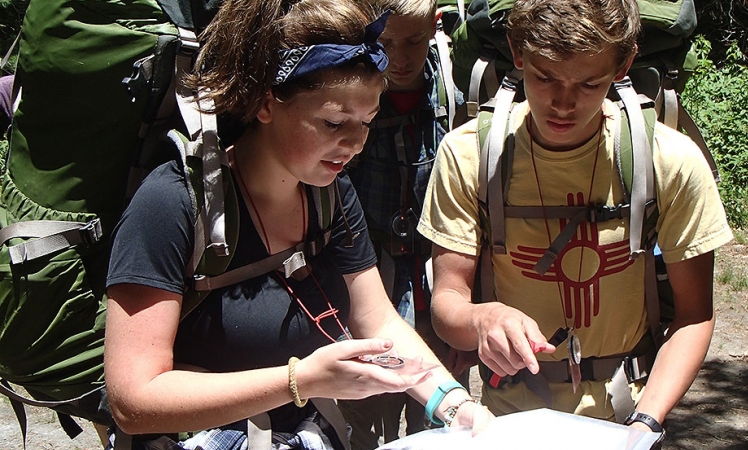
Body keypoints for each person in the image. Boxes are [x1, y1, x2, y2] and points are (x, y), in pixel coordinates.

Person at [103, 0, 493, 448]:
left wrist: (455, 405)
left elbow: (377, 320)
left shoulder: (330, 192)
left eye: (366, 121)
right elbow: (133, 401)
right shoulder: (171, 204)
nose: (354, 143)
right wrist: (301, 380)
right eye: (332, 122)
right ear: (266, 103)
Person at [417, 0, 733, 435]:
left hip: (627, 412)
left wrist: (645, 423)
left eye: (589, 83)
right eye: (545, 78)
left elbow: (695, 314)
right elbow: (447, 302)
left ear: (623, 65)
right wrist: (482, 319)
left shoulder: (669, 161)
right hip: (507, 422)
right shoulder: (469, 155)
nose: (563, 103)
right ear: (518, 51)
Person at [338, 0, 467, 446]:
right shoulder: (350, 98)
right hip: (366, 280)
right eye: (385, 42)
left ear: (435, 26)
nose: (400, 57)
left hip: (433, 277)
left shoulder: (451, 89)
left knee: (435, 417)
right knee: (361, 413)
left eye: (414, 41)